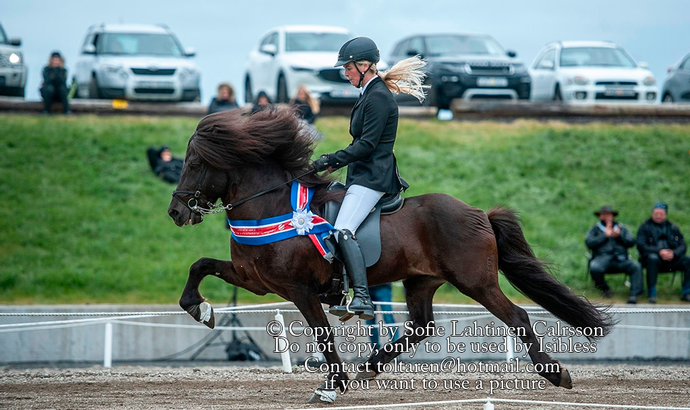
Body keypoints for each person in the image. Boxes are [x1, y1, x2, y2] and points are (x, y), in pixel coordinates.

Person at [311, 37, 427, 320]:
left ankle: (361, 296)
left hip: (373, 178)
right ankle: (340, 290)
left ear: (364, 66)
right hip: (362, 175)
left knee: (343, 231)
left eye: (348, 68)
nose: (345, 73)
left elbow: (367, 146)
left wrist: (331, 159)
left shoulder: (377, 97)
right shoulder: (369, 93)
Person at [585, 206, 642, 304]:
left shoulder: (621, 228)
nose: (606, 216)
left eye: (608, 214)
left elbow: (631, 242)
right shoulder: (595, 229)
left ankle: (634, 294)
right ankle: (605, 289)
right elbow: (589, 243)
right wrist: (604, 236)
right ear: (600, 216)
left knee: (636, 266)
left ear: (612, 215)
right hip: (602, 259)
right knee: (594, 268)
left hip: (621, 260)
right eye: (604, 214)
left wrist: (619, 236)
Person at [636, 202, 690, 303]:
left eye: (661, 213)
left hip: (672, 260)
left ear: (665, 214)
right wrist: (659, 251)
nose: (658, 216)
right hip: (653, 260)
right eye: (656, 213)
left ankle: (686, 292)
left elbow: (683, 245)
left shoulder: (673, 228)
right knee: (652, 258)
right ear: (652, 213)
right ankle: (652, 293)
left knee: (688, 260)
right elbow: (641, 245)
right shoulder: (645, 227)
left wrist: (673, 253)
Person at [366, 284, 396, 349]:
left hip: (383, 286)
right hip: (368, 288)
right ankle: (375, 349)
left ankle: (396, 348)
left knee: (388, 318)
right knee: (369, 319)